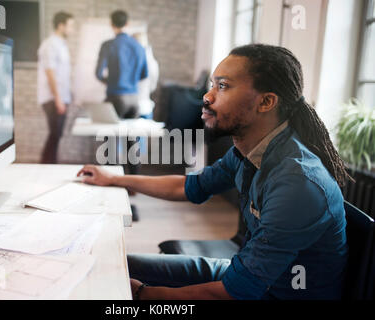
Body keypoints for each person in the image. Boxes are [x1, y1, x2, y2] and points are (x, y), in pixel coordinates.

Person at [77, 44, 350, 300]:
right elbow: (189, 187)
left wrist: (143, 294)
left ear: (266, 102)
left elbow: (237, 291)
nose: (207, 97)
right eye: (212, 85)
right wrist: (113, 179)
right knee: (112, 265)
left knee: (115, 289)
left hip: (276, 293)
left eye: (223, 86)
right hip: (245, 275)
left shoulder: (298, 183)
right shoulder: (249, 151)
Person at [95, 10, 148, 119]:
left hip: (115, 97)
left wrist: (110, 81)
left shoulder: (108, 45)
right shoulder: (139, 47)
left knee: (110, 134)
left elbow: (99, 74)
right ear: (127, 23)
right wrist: (130, 81)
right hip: (134, 98)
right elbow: (144, 74)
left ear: (111, 24)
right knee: (130, 135)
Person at [37, 11, 74, 164]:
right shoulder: (50, 45)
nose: (73, 29)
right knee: (55, 134)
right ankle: (46, 166)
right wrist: (58, 99)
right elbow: (50, 73)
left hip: (61, 97)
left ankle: (49, 165)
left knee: (56, 135)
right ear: (61, 25)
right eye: (71, 26)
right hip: (53, 98)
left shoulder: (61, 45)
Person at [132, 32, 159, 119]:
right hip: (145, 106)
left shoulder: (135, 61)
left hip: (138, 108)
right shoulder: (152, 62)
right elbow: (153, 87)